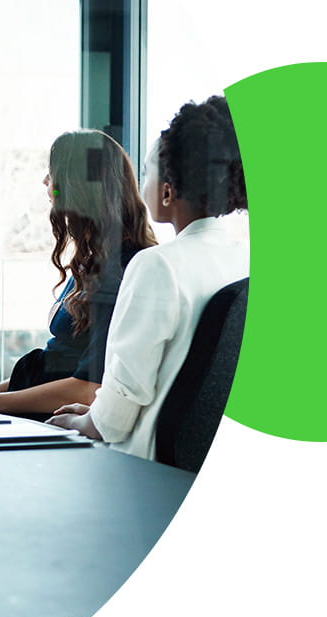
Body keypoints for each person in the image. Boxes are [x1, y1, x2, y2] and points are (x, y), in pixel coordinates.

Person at [49, 95, 250, 459]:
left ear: (168, 191)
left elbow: (119, 410)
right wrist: (96, 413)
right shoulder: (244, 260)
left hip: (139, 463)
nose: (141, 184)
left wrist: (80, 423)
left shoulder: (157, 265)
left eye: (145, 172)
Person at [0, 129, 156, 418]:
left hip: (63, 423)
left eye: (52, 174)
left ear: (77, 186)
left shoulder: (120, 269)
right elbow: (56, 363)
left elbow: (88, 389)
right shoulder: (93, 259)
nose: (45, 181)